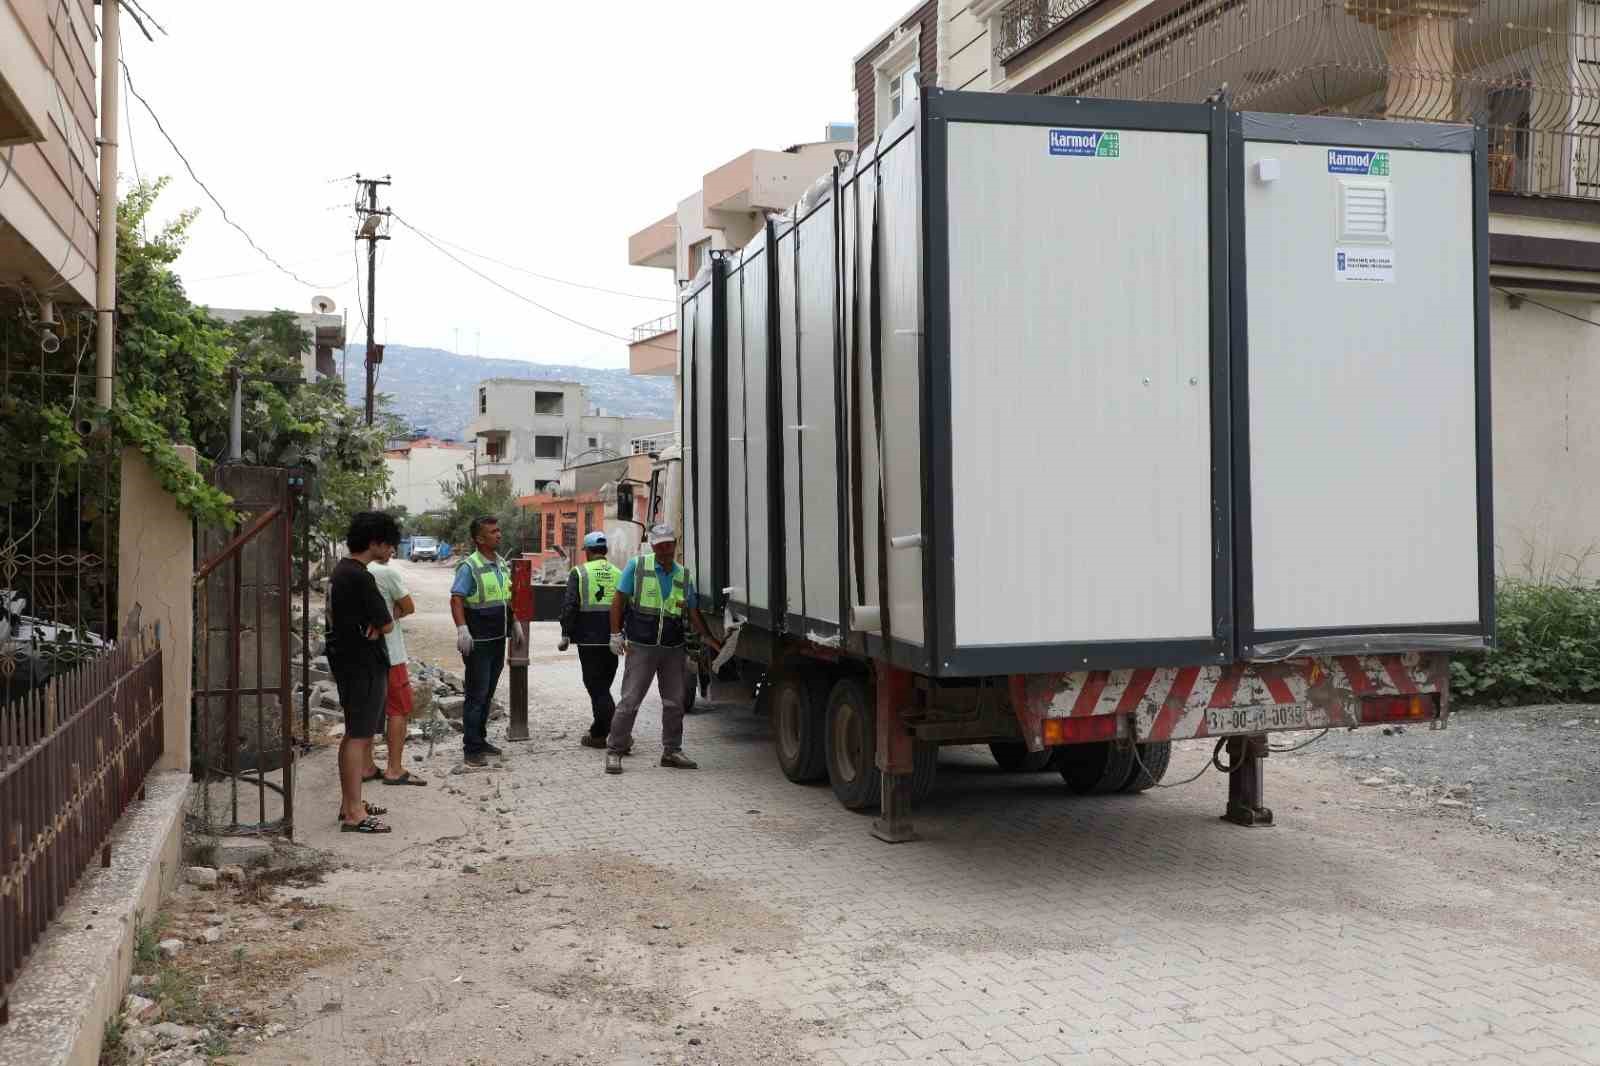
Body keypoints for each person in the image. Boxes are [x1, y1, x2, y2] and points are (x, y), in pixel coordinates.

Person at [603, 523, 718, 775]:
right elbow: (618, 600)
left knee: (674, 703)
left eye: (670, 544)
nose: (667, 549)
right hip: (641, 647)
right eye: (661, 545)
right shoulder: (637, 566)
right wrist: (615, 634)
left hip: (673, 648)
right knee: (630, 701)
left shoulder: (684, 575)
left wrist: (707, 637)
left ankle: (672, 751)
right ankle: (615, 750)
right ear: (653, 545)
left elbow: (692, 611)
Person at [327, 511, 400, 832]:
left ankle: (349, 804)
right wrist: (379, 623)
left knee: (353, 733)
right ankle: (356, 814)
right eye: (389, 544)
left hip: (346, 661)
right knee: (360, 736)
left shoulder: (340, 572)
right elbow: (385, 623)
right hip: (363, 665)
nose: (391, 551)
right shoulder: (360, 576)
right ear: (375, 542)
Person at [450, 515, 510, 768]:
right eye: (493, 531)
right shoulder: (469, 566)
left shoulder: (501, 563)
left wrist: (514, 622)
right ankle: (471, 748)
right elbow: (456, 598)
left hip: (497, 639)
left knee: (487, 694)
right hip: (478, 642)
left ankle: (480, 739)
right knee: (476, 695)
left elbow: (507, 595)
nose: (498, 534)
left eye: (499, 530)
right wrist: (462, 629)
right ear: (479, 538)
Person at [368, 548, 426, 787]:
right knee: (398, 709)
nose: (392, 550)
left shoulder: (352, 571)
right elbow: (409, 606)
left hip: (366, 654)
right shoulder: (385, 573)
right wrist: (393, 614)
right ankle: (394, 768)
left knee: (368, 711)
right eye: (389, 543)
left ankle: (366, 766)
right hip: (391, 654)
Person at [559, 530, 621, 750]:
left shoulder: (580, 572)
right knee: (603, 685)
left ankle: (618, 733)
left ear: (587, 552)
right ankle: (598, 733)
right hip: (614, 639)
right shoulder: (618, 572)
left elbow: (570, 605)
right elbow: (627, 605)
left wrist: (565, 633)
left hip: (588, 639)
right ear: (604, 551)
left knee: (596, 687)